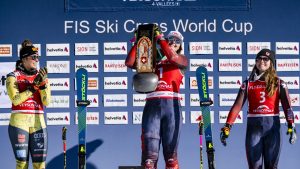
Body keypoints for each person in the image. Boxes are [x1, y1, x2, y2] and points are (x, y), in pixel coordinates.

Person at [220, 49, 297, 169]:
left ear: (271, 63)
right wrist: (227, 126)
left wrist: (291, 125)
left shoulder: (279, 83)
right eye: (259, 58)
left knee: (271, 166)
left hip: (272, 129)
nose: (262, 61)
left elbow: (287, 107)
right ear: (255, 62)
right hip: (254, 129)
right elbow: (237, 106)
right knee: (254, 167)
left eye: (266, 59)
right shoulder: (248, 84)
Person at [125, 27, 188, 169]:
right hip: (152, 106)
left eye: (177, 41)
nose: (173, 43)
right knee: (149, 160)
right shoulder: (150, 61)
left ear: (181, 45)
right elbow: (129, 63)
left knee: (171, 159)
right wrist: (138, 42)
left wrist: (160, 38)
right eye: (171, 40)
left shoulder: (182, 60)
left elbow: (172, 57)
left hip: (172, 106)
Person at [6, 40, 51, 169]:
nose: (36, 60)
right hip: (19, 123)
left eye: (38, 57)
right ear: (25, 59)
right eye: (34, 57)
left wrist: (42, 85)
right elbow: (15, 100)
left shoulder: (41, 76)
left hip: (38, 122)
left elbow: (47, 101)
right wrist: (32, 87)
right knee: (22, 164)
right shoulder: (13, 76)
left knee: (40, 165)